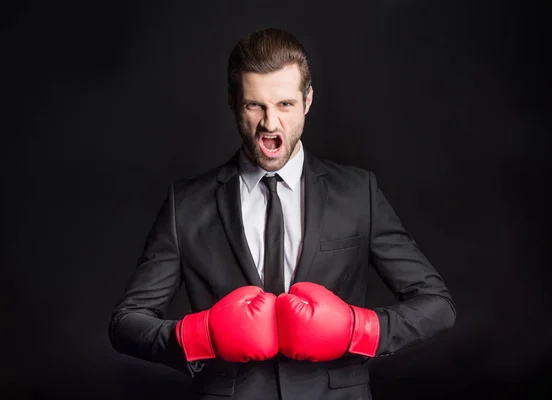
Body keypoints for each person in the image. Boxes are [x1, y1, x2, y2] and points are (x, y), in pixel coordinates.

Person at [108, 28, 456, 400]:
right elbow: (126, 323)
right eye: (254, 105)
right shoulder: (187, 204)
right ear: (232, 101)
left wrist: (360, 329)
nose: (270, 124)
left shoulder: (358, 193)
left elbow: (438, 306)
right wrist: (201, 336)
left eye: (285, 105)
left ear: (307, 100)